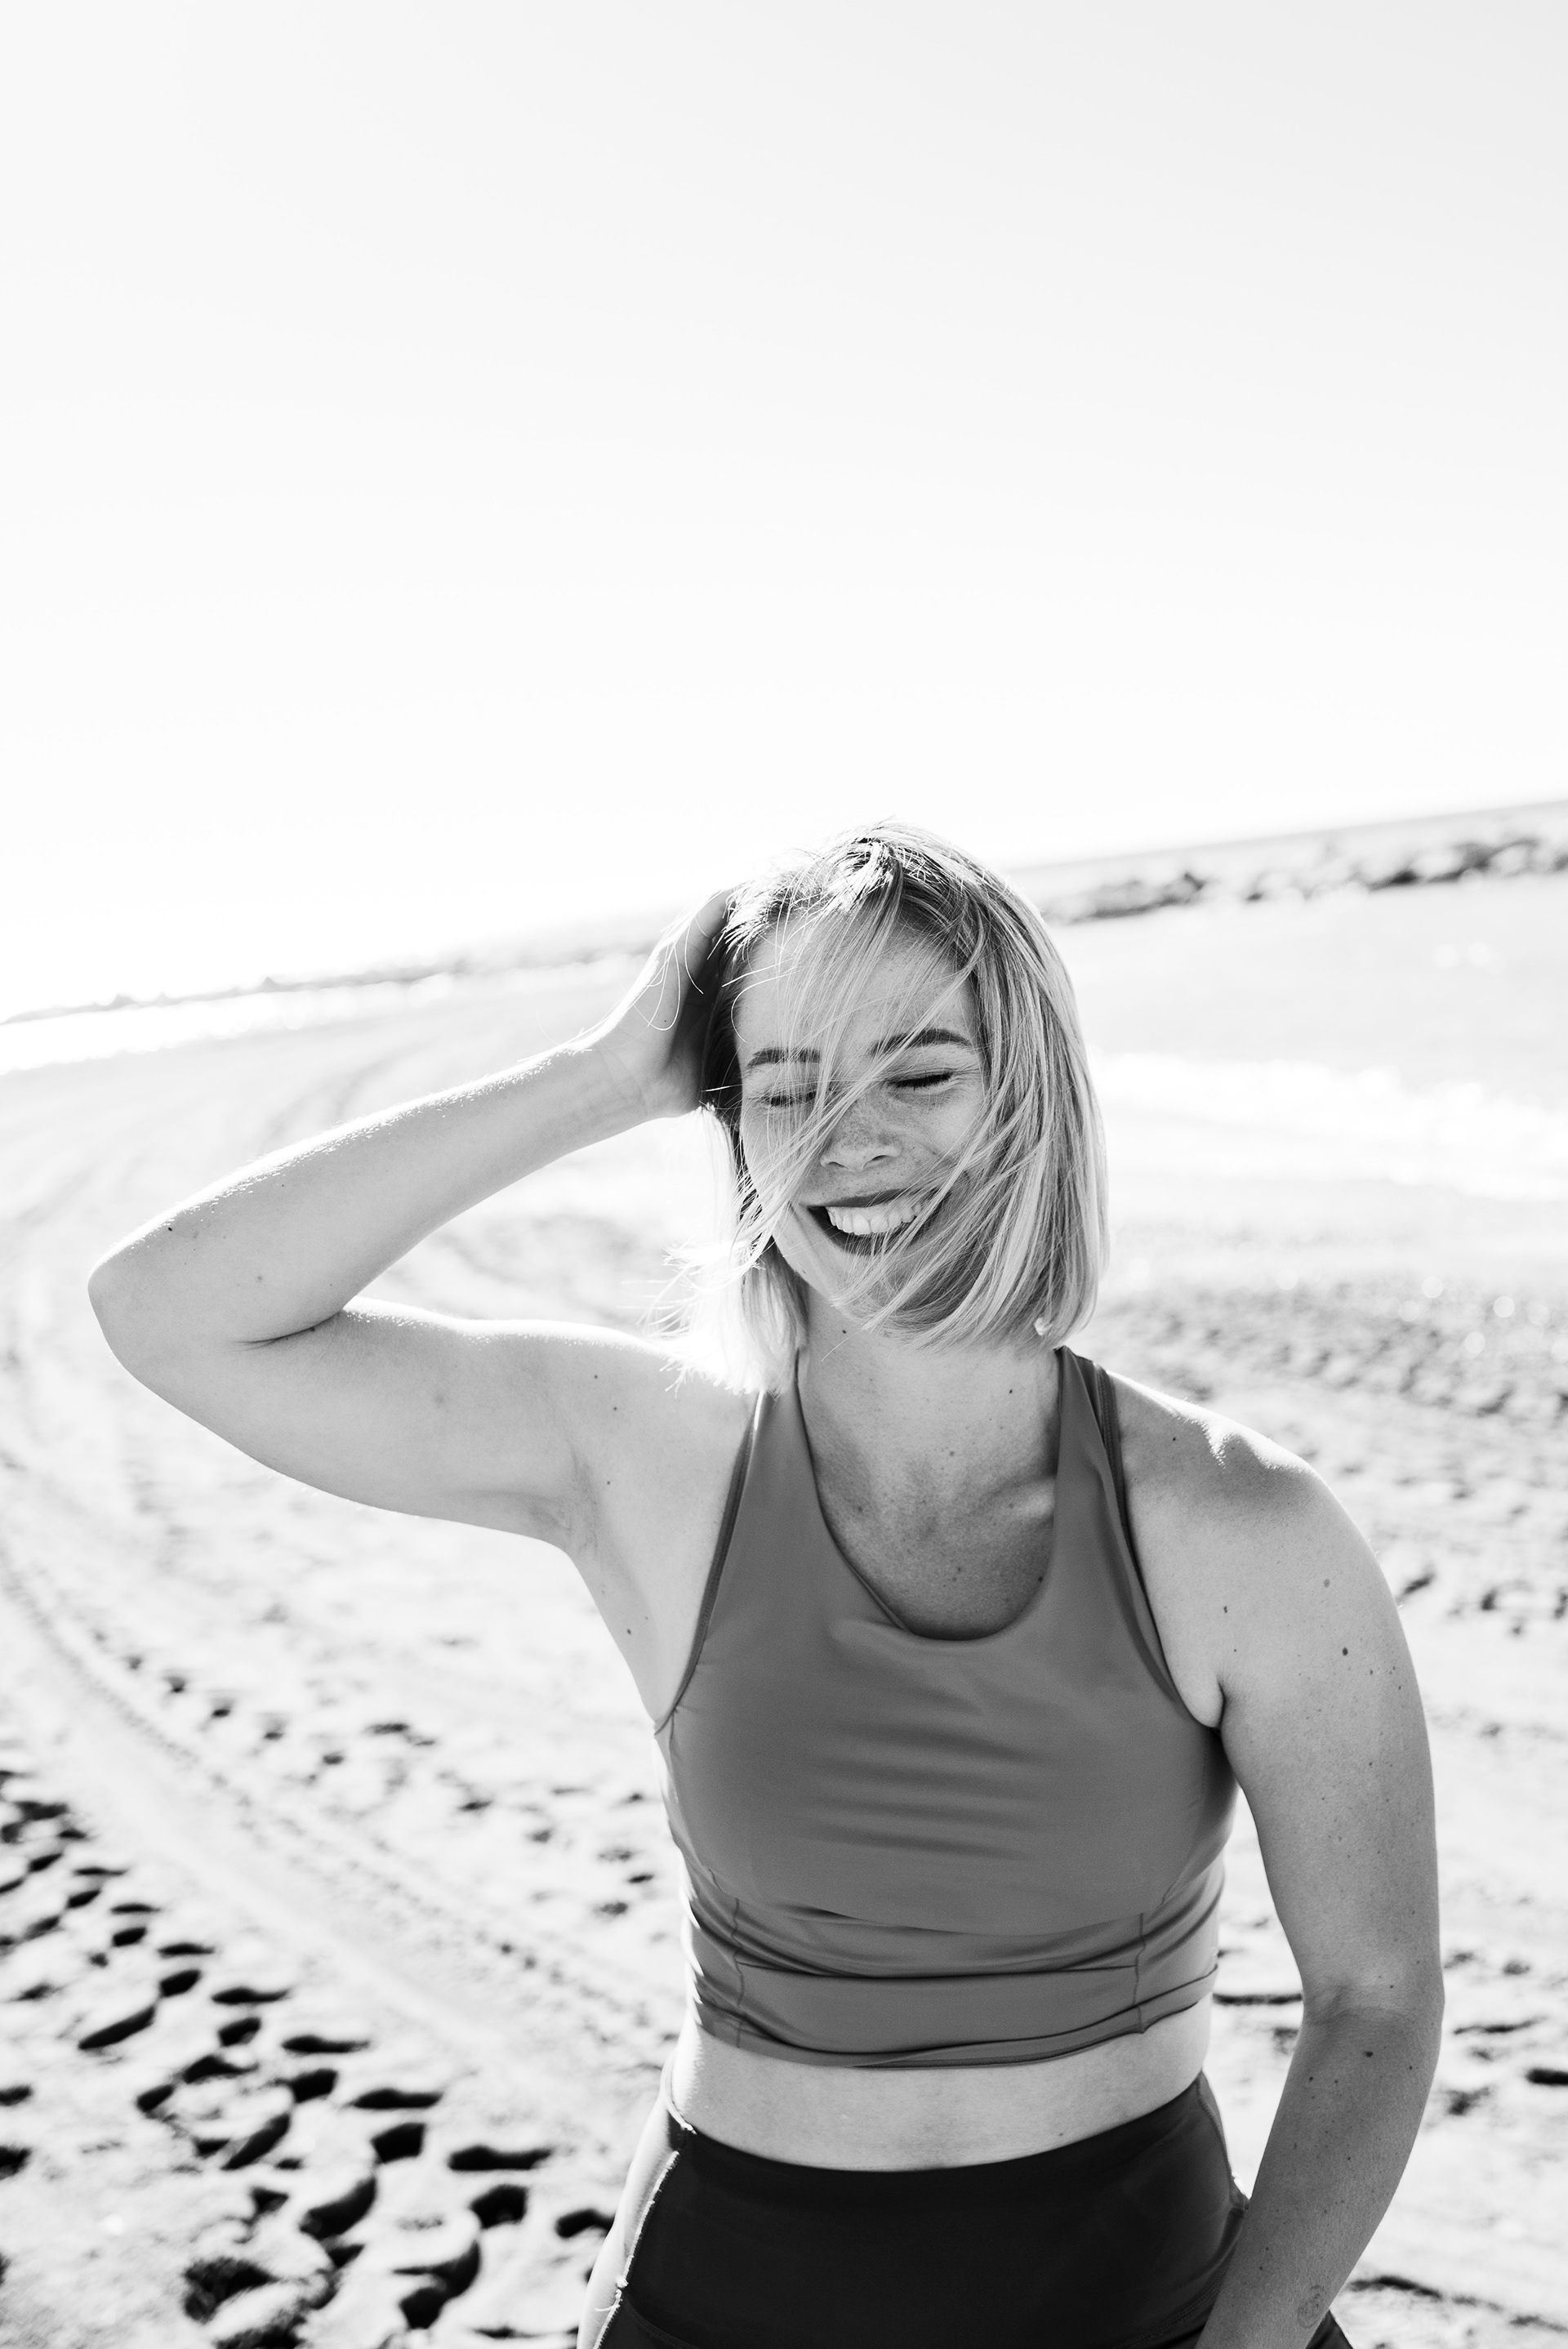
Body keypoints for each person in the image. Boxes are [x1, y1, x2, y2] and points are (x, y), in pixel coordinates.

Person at [88, 824, 1441, 2349]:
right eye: (787, 1089)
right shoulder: (647, 1458)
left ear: (1034, 1094)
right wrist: (605, 1076)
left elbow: (1377, 1998)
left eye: (919, 1072)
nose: (849, 1141)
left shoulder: (1241, 1526)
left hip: (1153, 2295)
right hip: (734, 2294)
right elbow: (170, 1311)